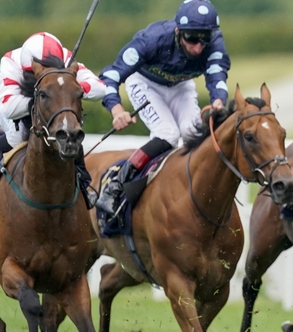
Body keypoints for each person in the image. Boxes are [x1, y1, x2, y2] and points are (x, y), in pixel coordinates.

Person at [95, 0, 230, 214]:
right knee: (168, 134)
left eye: (204, 39)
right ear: (178, 31)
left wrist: (218, 101)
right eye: (191, 38)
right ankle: (116, 186)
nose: (197, 47)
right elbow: (110, 76)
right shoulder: (152, 40)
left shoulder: (214, 42)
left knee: (193, 132)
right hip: (144, 83)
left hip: (181, 85)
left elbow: (217, 76)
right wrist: (116, 109)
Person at [0, 31, 105, 208]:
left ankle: (84, 184)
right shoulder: (10, 62)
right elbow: (9, 108)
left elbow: (100, 88)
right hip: (13, 105)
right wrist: (45, 97)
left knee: (70, 131)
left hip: (50, 105)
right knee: (16, 137)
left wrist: (63, 93)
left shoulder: (66, 58)